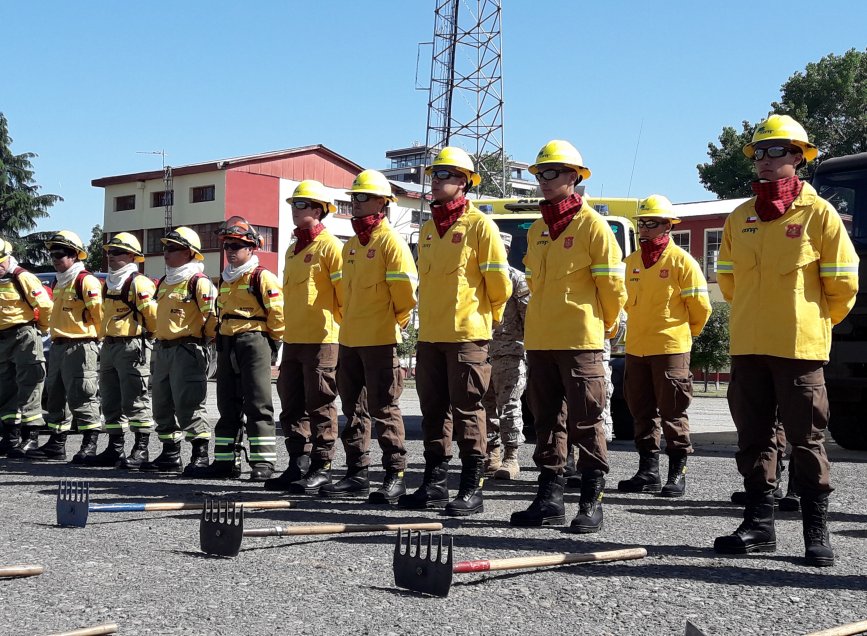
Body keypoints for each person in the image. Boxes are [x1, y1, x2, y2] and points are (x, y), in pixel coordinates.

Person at [713, 114, 859, 567]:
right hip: (750, 345)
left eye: (776, 151)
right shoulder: (741, 216)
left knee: (807, 438)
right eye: (759, 152)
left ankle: (816, 532)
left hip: (799, 348)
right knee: (754, 438)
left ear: (798, 156)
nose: (765, 160)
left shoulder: (819, 214)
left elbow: (843, 285)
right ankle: (759, 526)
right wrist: (756, 319)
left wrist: (812, 323)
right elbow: (729, 280)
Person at [510, 140, 626, 533]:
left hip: (581, 339)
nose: (544, 180)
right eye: (540, 174)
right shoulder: (540, 228)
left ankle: (591, 500)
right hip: (541, 340)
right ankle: (549, 498)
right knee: (546, 420)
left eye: (553, 172)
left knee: (587, 419)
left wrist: (605, 327)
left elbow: (612, 286)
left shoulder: (593, 226)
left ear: (575, 177)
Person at [397, 147, 511, 517]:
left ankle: (471, 486)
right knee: (433, 411)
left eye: (446, 174)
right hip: (431, 334)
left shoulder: (480, 226)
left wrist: (485, 323)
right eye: (436, 174)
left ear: (464, 181)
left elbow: (499, 285)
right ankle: (433, 484)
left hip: (467, 335)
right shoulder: (429, 230)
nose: (438, 179)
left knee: (468, 411)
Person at [319, 169, 418, 504]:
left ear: (382, 202)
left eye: (362, 197)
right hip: (350, 338)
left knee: (384, 407)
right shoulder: (351, 248)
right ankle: (357, 473)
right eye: (353, 197)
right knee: (353, 408)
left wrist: (393, 324)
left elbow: (405, 294)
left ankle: (395, 475)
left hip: (379, 339)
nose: (355, 203)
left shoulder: (391, 243)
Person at [617, 195, 712, 497]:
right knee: (641, 411)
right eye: (641, 223)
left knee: (673, 411)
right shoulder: (630, 263)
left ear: (668, 226)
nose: (644, 228)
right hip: (637, 348)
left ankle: (677, 473)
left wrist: (683, 336)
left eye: (652, 223)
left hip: (670, 347)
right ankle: (648, 472)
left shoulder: (682, 262)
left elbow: (701, 308)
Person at [263, 181, 344, 493]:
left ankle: (322, 466)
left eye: (301, 205)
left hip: (323, 339)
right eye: (293, 205)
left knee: (320, 403)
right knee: (292, 403)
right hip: (294, 339)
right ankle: (298, 463)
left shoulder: (330, 247)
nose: (294, 210)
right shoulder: (293, 249)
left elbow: (343, 296)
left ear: (317, 209)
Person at [192, 216, 284, 481]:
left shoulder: (261, 277)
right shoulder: (225, 279)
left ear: (251, 248)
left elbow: (278, 313)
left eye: (237, 246)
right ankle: (225, 462)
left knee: (258, 403)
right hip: (227, 341)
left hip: (253, 341)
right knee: (227, 405)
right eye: (227, 246)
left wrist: (273, 344)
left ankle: (263, 464)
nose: (231, 251)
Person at [139, 227, 217, 474]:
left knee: (189, 404)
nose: (166, 253)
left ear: (189, 253)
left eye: (172, 248)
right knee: (161, 404)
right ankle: (170, 454)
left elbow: (213, 318)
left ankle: (200, 454)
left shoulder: (198, 282)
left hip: (187, 348)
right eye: (165, 247)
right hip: (163, 349)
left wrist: (203, 345)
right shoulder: (165, 282)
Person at [26, 231, 103, 461]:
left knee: (82, 395)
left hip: (80, 346)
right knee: (56, 395)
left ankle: (90, 444)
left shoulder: (84, 280)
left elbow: (99, 314)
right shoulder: (61, 280)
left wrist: (94, 340)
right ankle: (56, 444)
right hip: (60, 345)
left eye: (60, 254)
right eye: (52, 254)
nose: (55, 258)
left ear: (74, 255)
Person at [84, 233, 157, 467]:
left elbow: (152, 316)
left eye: (116, 252)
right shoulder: (109, 283)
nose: (110, 256)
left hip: (131, 345)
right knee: (110, 400)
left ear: (131, 256)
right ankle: (115, 449)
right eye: (109, 252)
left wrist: (147, 338)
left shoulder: (139, 282)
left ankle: (141, 449)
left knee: (135, 398)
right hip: (110, 345)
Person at [481, 231, 529, 480]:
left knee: (509, 405)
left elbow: (529, 319)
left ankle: (512, 456)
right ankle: (492, 453)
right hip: (482, 351)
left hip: (510, 353)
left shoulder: (517, 279)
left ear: (507, 251)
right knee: (485, 406)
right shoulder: (479, 278)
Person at [0, 238, 53, 457]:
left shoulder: (23, 277)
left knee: (30, 385)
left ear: (8, 256)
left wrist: (40, 329)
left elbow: (45, 306)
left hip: (24, 334)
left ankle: (30, 438)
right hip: (2, 338)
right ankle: (10, 439)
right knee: (5, 388)